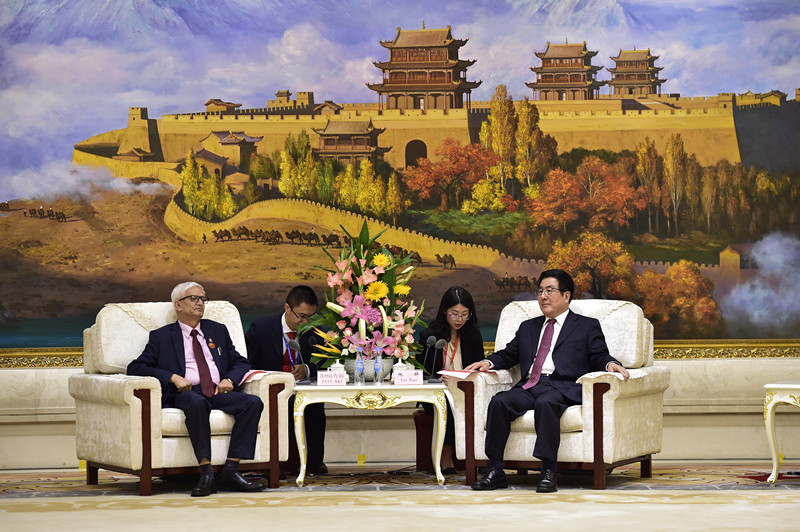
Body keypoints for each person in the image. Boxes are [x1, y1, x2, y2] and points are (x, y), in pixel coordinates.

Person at [466, 269, 630, 492]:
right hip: (529, 385)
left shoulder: (586, 326)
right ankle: (495, 470)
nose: (543, 296)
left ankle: (548, 471)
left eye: (549, 290)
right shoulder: (528, 327)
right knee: (499, 402)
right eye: (540, 291)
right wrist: (488, 362)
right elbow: (509, 354)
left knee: (546, 403)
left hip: (562, 387)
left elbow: (599, 354)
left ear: (566, 295)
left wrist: (610, 364)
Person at [127, 281, 266, 497]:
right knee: (196, 402)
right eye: (193, 298)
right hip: (187, 393)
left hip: (218, 391)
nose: (200, 303)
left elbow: (240, 361)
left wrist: (229, 379)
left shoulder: (217, 331)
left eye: (202, 299)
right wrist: (172, 377)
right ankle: (206, 472)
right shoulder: (162, 336)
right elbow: (136, 367)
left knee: (252, 403)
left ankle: (231, 470)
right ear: (178, 305)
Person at [245, 285, 327, 475]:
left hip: (302, 388)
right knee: (285, 405)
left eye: (310, 317)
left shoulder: (315, 331)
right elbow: (247, 364)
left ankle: (315, 463)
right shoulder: (261, 329)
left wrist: (307, 369)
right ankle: (278, 464)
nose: (305, 322)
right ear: (287, 308)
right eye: (301, 316)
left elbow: (325, 363)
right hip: (272, 389)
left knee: (316, 406)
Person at [418, 286, 484, 475]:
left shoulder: (473, 336)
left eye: (464, 314)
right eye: (455, 314)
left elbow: (479, 367)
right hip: (437, 392)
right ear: (445, 311)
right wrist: (438, 379)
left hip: (464, 388)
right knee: (446, 404)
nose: (459, 319)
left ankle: (479, 458)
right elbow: (422, 371)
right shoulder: (430, 336)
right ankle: (446, 457)